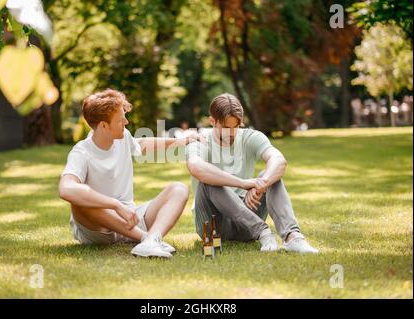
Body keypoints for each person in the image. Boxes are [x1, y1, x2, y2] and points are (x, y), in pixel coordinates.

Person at [59, 89, 203, 258]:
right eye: (121, 120)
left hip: (131, 221)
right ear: (104, 125)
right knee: (78, 201)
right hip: (99, 230)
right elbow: (66, 189)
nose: (126, 122)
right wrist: (115, 205)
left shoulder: (123, 137)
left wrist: (181, 141)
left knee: (179, 189)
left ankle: (152, 240)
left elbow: (141, 144)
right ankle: (146, 239)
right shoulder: (82, 152)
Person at [185, 93, 319, 254]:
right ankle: (264, 233)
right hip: (215, 226)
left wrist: (262, 184)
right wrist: (243, 183)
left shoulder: (251, 137)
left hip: (248, 216)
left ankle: (293, 237)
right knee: (207, 181)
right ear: (212, 121)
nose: (232, 133)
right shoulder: (200, 140)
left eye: (237, 127)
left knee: (269, 174)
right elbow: (196, 167)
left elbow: (279, 160)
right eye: (227, 127)